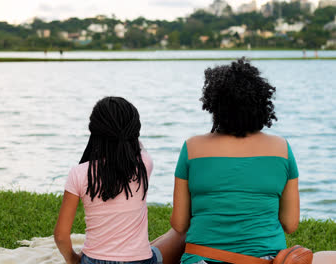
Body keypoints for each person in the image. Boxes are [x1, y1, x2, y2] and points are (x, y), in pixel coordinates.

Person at [170, 58, 300, 264]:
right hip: (264, 259)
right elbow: (290, 224)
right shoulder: (282, 148)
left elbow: (179, 224)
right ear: (261, 103)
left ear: (214, 104)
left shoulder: (192, 147)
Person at [54, 97, 162, 264]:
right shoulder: (144, 164)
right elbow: (138, 147)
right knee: (166, 244)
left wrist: (73, 260)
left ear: (94, 131)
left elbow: (61, 236)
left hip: (94, 260)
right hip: (139, 260)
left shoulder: (79, 173)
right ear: (134, 131)